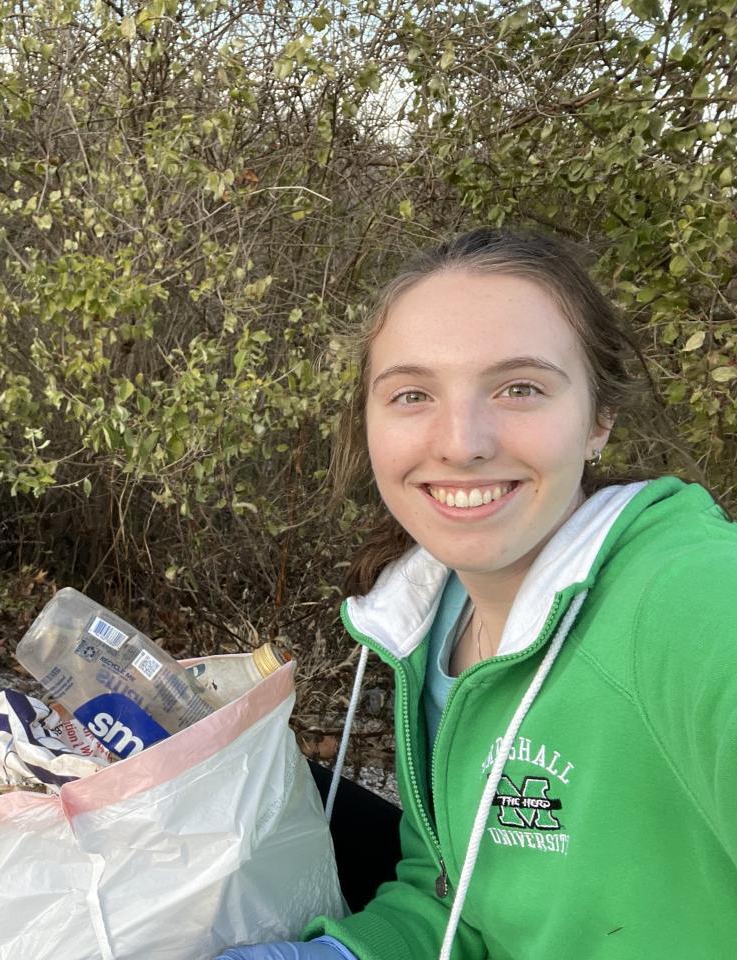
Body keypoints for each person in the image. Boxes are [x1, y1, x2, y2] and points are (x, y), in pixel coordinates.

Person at [217, 228, 737, 959]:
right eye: (412, 395)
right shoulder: (435, 617)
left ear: (599, 418)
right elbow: (455, 897)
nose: (462, 442)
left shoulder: (691, 597)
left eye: (519, 388)